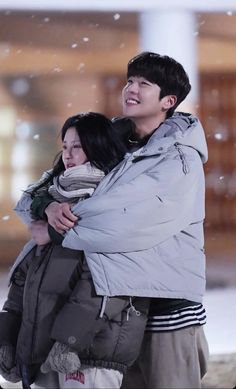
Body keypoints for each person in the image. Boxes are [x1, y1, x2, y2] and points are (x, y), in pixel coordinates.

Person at [31, 51, 209, 389]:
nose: (132, 88)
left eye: (144, 84)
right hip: (109, 304)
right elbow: (44, 187)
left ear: (168, 101)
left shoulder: (179, 158)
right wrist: (46, 207)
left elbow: (126, 222)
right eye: (130, 81)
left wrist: (56, 233)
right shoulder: (106, 140)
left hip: (165, 305)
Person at [0, 112, 149, 389]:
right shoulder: (54, 200)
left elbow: (104, 284)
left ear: (97, 146)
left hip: (92, 349)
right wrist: (8, 337)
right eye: (65, 146)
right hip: (49, 346)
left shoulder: (112, 201)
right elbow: (25, 276)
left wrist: (68, 341)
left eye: (77, 146)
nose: (68, 154)